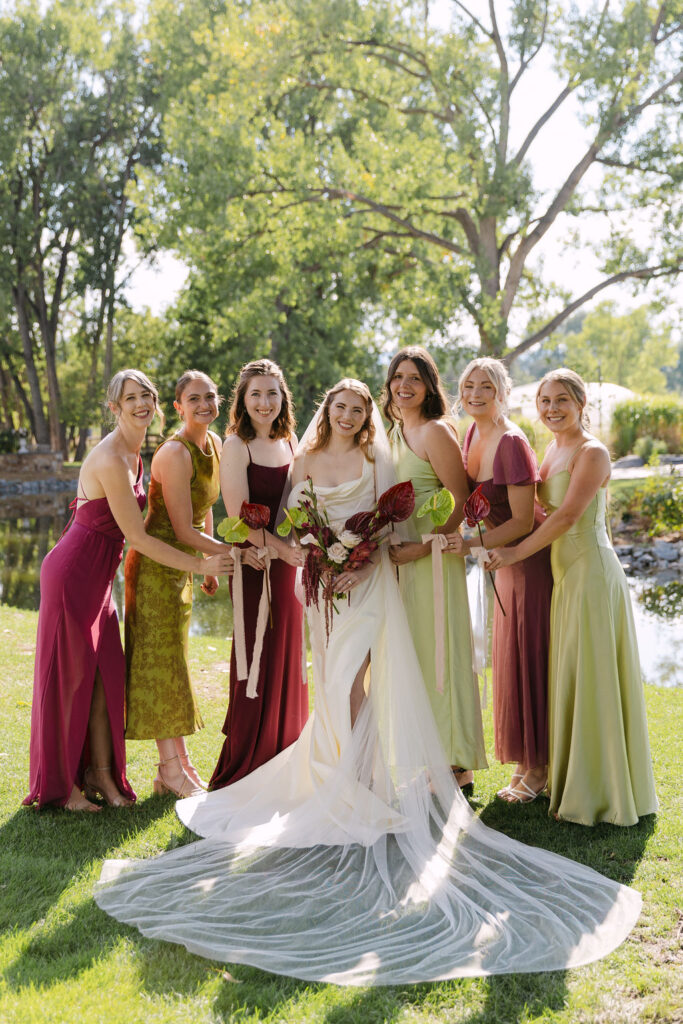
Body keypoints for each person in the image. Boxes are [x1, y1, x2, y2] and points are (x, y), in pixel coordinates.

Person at [96, 378, 642, 984]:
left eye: (359, 409)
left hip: (369, 584)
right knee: (333, 684)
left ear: (366, 418)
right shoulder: (302, 458)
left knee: (357, 678)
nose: (351, 416)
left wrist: (361, 553)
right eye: (342, 407)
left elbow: (386, 523)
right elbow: (294, 523)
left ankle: (361, 785)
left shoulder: (376, 457)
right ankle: (341, 776)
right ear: (327, 411)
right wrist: (318, 554)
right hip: (323, 587)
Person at [24, 370, 233, 812]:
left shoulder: (138, 452)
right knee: (71, 679)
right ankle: (64, 789)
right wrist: (200, 565)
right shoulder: (110, 458)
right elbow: (138, 538)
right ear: (114, 407)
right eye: (130, 398)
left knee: (104, 679)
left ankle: (102, 773)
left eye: (146, 396)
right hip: (72, 575)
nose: (141, 404)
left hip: (100, 580)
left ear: (157, 405)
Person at [487, 368, 658, 826]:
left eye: (561, 399)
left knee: (593, 678)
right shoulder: (550, 449)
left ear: (581, 404)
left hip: (592, 574)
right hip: (565, 579)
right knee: (575, 677)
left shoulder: (593, 452)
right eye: (544, 401)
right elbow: (533, 509)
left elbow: (564, 518)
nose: (551, 409)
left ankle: (598, 790)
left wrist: (511, 554)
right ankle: (564, 776)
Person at [450, 357, 553, 803]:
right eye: (468, 385)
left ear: (502, 393)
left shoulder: (510, 441)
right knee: (510, 655)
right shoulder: (472, 432)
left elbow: (524, 519)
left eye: (485, 387)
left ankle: (542, 766)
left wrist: (470, 547)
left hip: (527, 559)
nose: (475, 394)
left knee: (531, 655)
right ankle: (524, 760)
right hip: (500, 560)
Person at [383, 346, 487, 788]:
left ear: (428, 387)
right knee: (415, 658)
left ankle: (456, 765)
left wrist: (423, 549)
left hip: (432, 560)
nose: (404, 385)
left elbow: (461, 500)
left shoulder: (434, 432)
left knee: (443, 653)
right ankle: (429, 756)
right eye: (398, 376)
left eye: (415, 378)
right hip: (400, 562)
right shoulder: (391, 431)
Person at [125, 371, 229, 798]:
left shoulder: (215, 444)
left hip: (182, 566)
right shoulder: (174, 453)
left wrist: (205, 564)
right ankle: (171, 769)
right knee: (162, 669)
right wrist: (223, 556)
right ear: (178, 407)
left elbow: (204, 509)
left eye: (210, 397)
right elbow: (183, 530)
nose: (204, 404)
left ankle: (176, 767)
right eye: (194, 398)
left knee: (176, 666)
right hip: (154, 569)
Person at [209, 359, 308, 790]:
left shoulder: (290, 440)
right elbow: (238, 518)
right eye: (256, 394)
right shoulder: (237, 446)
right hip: (256, 568)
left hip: (288, 570)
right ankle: (248, 759)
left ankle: (285, 753)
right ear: (242, 401)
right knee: (255, 656)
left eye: (272, 393)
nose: (265, 402)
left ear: (283, 396)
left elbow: (303, 499)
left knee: (286, 652)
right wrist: (284, 550)